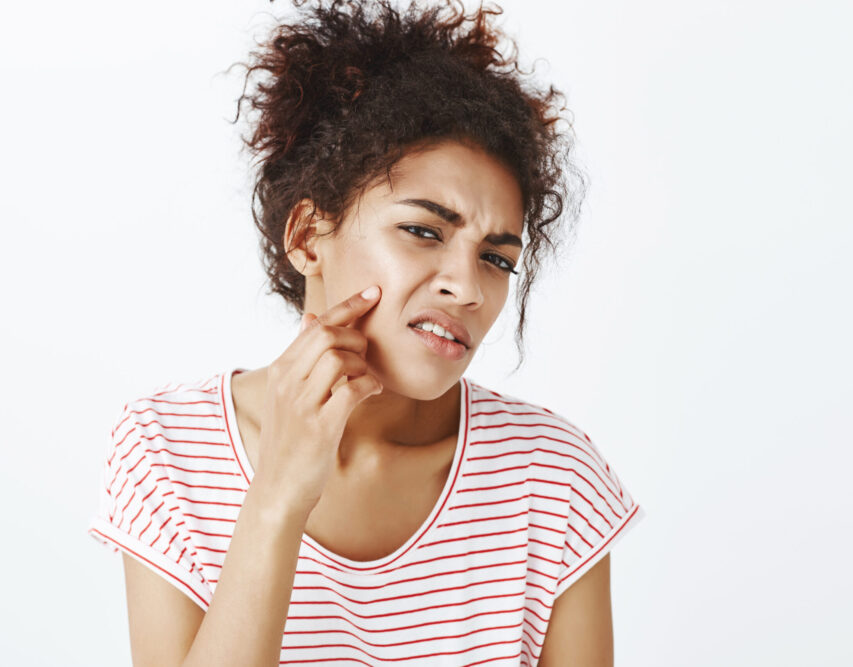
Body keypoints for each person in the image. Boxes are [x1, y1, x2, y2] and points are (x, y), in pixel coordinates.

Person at [87, 1, 644, 664]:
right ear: (306, 237)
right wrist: (275, 500)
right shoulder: (168, 452)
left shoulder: (551, 479)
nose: (467, 287)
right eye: (424, 230)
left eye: (496, 258)